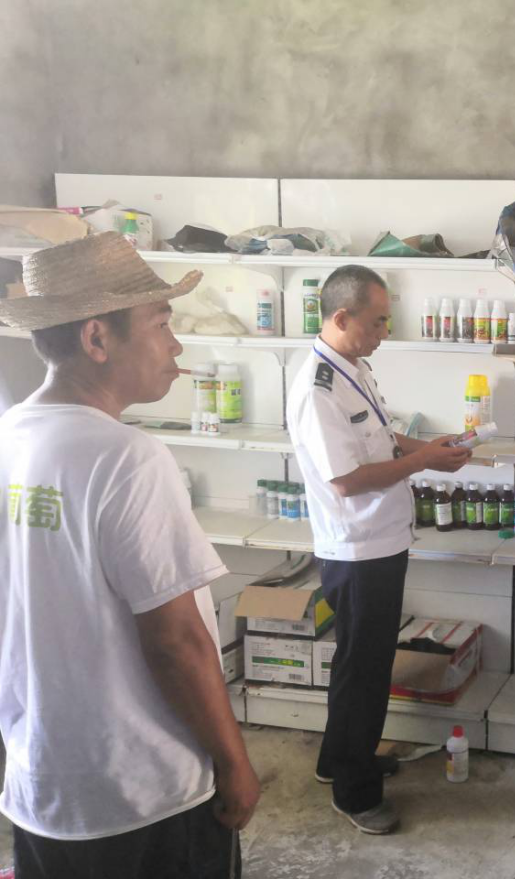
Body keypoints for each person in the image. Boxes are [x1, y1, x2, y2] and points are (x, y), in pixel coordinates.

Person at [0, 232, 260, 878]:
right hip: (143, 792)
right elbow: (176, 640)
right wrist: (234, 762)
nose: (176, 345)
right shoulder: (125, 458)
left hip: (42, 784)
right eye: (161, 323)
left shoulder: (9, 437)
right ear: (97, 338)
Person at [286, 264, 471, 835]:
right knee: (365, 673)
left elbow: (383, 440)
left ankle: (339, 759)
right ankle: (355, 792)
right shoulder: (317, 388)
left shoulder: (353, 368)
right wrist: (424, 462)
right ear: (342, 317)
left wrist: (430, 448)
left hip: (380, 541)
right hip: (357, 549)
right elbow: (346, 480)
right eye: (378, 321)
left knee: (359, 663)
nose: (385, 331)